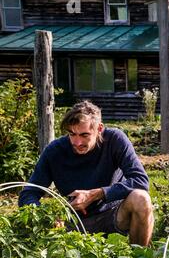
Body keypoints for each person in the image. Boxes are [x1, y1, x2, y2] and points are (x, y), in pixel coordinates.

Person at [19, 100, 154, 246]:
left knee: (141, 198)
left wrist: (95, 194)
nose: (77, 142)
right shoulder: (55, 151)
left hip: (113, 215)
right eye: (72, 134)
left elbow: (140, 180)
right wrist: (47, 216)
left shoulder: (114, 140)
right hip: (72, 222)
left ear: (99, 129)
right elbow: (29, 193)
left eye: (84, 135)